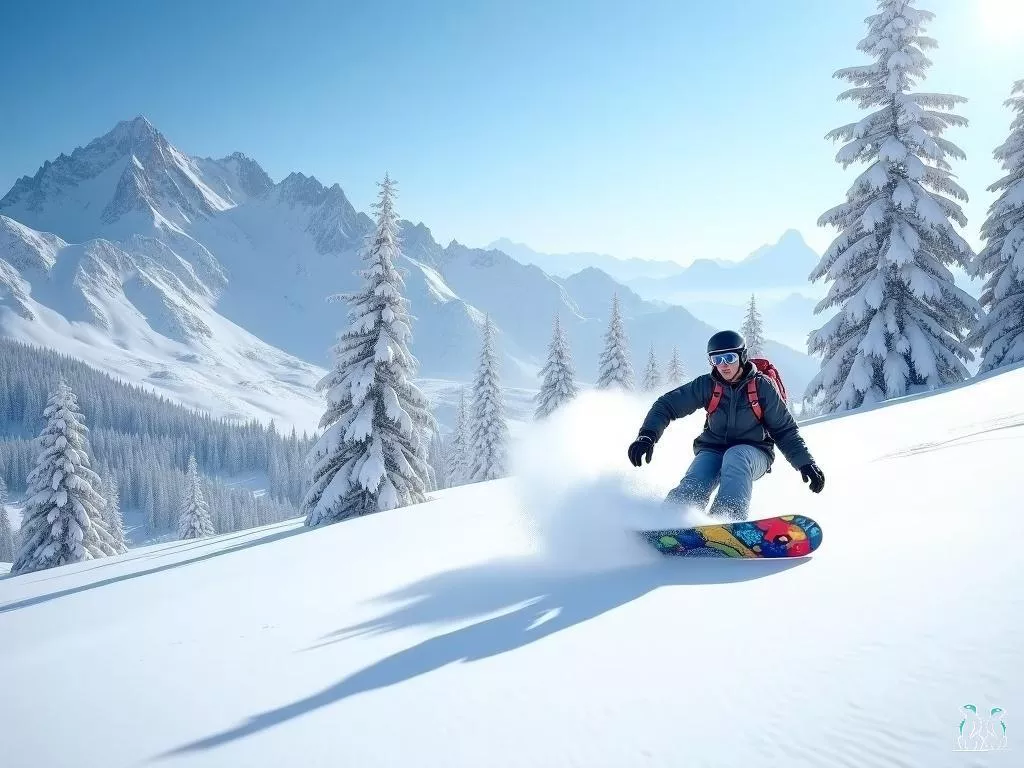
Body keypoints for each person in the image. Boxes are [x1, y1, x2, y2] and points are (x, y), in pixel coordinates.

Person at [627, 330, 824, 520]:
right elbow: (666, 405)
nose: (723, 365)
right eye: (716, 359)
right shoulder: (708, 385)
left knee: (736, 456)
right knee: (697, 479)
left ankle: (727, 519)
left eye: (729, 358)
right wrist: (647, 436)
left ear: (742, 357)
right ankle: (669, 521)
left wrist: (805, 462)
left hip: (755, 453)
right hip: (713, 449)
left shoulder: (762, 386)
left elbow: (784, 430)